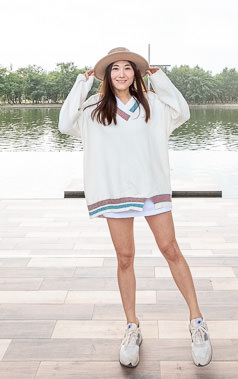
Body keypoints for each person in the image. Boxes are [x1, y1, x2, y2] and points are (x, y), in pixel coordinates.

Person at [59, 47, 212, 368]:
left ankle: (197, 322)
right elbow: (63, 124)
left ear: (136, 74)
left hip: (151, 187)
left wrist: (160, 78)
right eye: (115, 68)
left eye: (128, 68)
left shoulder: (154, 105)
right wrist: (80, 83)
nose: (121, 74)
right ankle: (132, 326)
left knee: (171, 250)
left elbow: (182, 111)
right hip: (115, 192)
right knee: (125, 258)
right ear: (106, 75)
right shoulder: (93, 109)